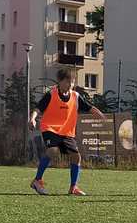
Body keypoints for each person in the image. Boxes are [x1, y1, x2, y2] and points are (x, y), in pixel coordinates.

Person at [29, 67, 106, 196]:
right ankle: (37, 181)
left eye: (72, 81)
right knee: (53, 150)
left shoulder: (75, 96)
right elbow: (38, 109)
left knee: (76, 157)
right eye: (67, 81)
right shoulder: (51, 94)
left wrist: (101, 115)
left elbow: (89, 107)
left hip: (66, 132)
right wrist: (32, 119)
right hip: (50, 128)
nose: (70, 84)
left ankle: (73, 187)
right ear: (60, 81)